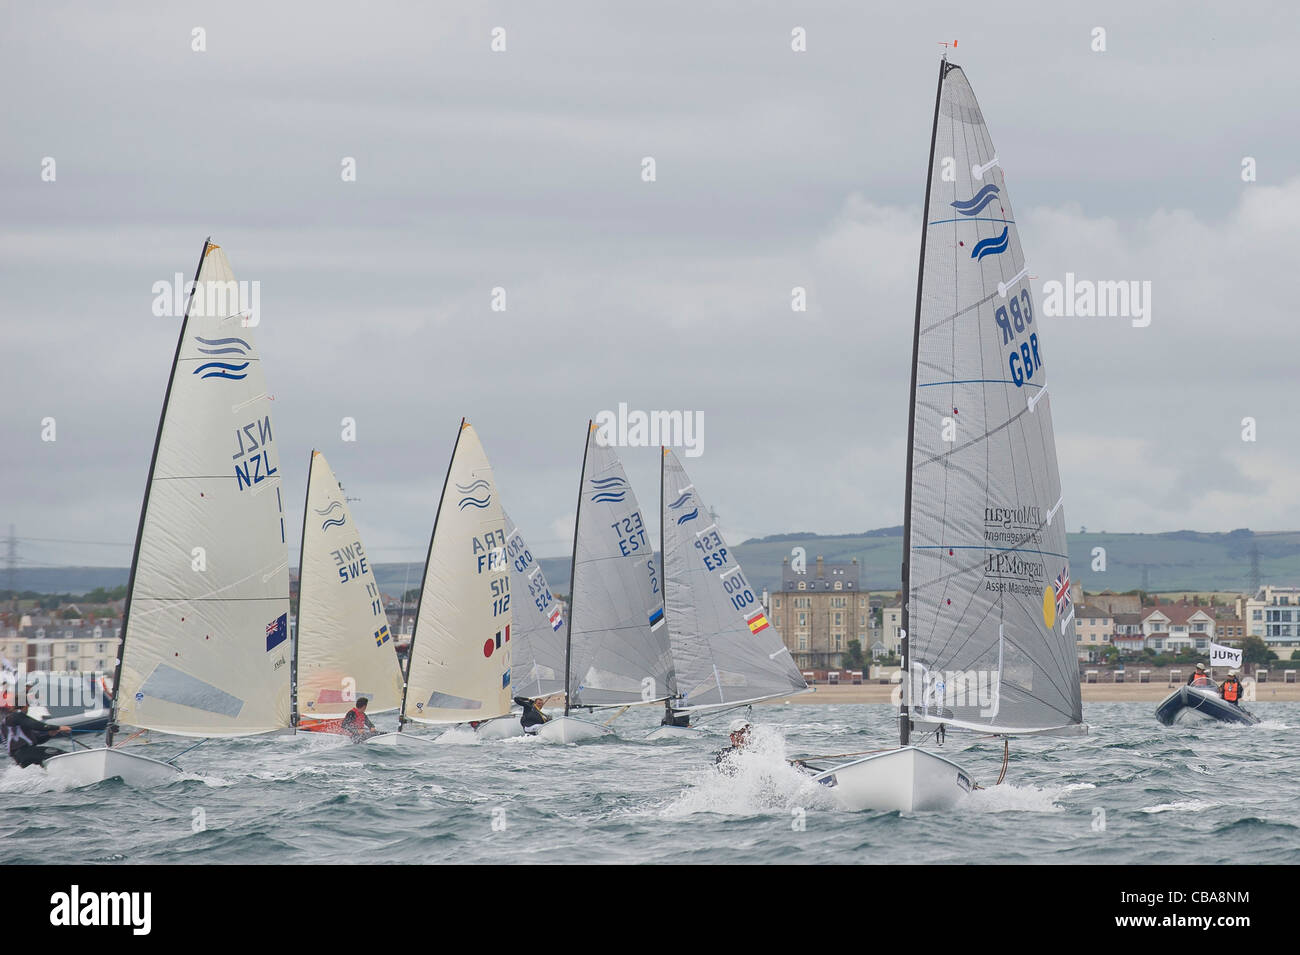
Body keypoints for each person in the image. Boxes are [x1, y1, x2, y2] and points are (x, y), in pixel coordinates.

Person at [1, 702, 72, 768]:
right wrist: (58, 727)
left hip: (20, 757)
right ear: (25, 706)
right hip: (26, 752)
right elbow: (34, 725)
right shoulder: (15, 716)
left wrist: (49, 735)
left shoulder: (9, 723)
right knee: (62, 754)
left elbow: (37, 740)